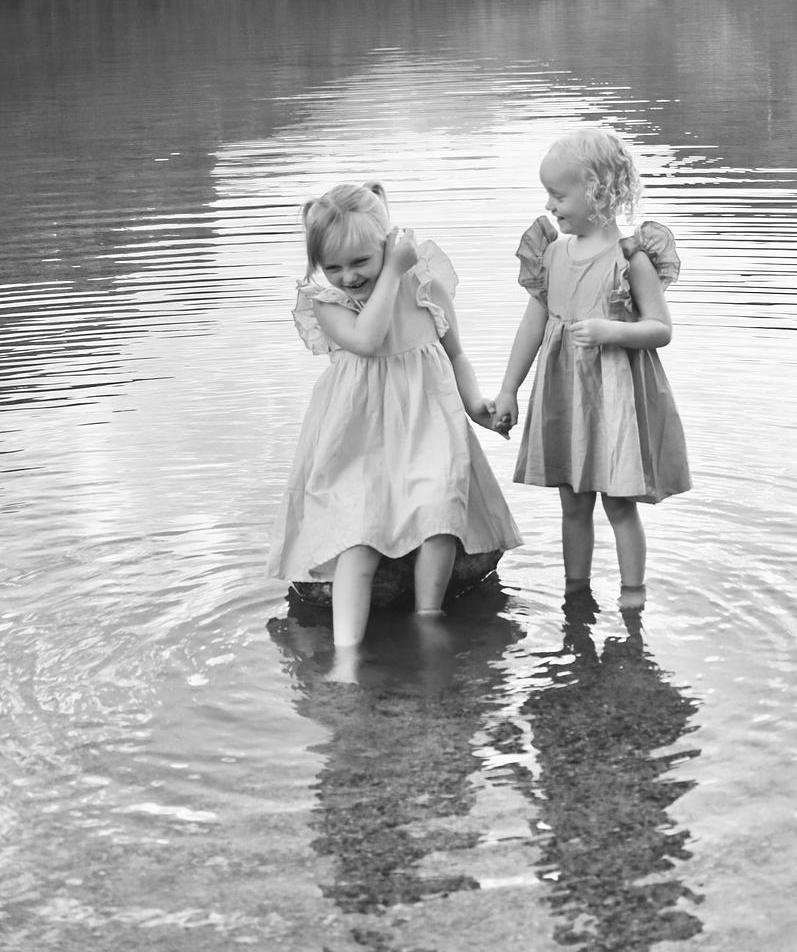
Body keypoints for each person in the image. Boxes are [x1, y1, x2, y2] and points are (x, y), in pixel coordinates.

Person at [267, 181, 521, 655]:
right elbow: (367, 339)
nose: (348, 276)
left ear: (387, 244)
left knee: (440, 516)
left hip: (428, 426)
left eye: (361, 261)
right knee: (358, 539)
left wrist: (476, 407)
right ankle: (347, 654)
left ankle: (428, 618)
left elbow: (456, 352)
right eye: (333, 266)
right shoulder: (328, 302)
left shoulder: (425, 287)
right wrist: (388, 275)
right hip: (358, 438)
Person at [493, 126, 689, 610]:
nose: (549, 205)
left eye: (558, 195)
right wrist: (509, 389)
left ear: (596, 193)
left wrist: (612, 330)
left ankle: (632, 595)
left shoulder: (630, 259)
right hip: (565, 395)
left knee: (619, 503)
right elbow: (532, 326)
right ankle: (575, 590)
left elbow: (660, 328)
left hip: (614, 398)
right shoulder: (551, 255)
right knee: (573, 502)